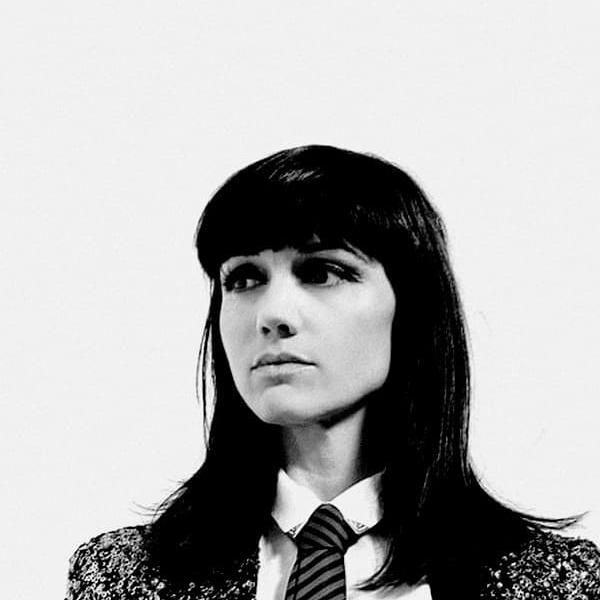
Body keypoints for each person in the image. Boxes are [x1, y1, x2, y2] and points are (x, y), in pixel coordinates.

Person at [65, 145, 600, 600]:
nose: (272, 314)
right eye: (244, 278)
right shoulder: (122, 576)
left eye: (322, 272)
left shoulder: (556, 583)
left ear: (411, 310)